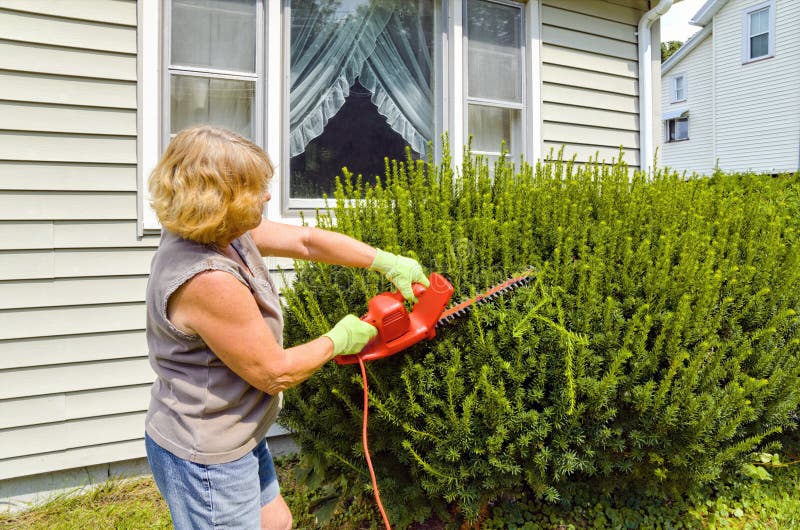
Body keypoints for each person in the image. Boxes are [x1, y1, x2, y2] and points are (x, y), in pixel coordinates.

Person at [144, 125, 429, 530]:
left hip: (238, 430)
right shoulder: (207, 279)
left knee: (276, 522)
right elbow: (274, 372)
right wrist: (340, 339)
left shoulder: (223, 230)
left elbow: (307, 242)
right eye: (255, 188)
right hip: (207, 452)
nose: (267, 196)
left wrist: (385, 260)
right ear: (217, 199)